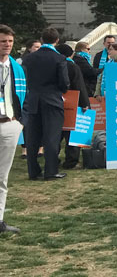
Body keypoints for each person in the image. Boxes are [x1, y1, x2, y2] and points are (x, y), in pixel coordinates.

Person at [21, 27, 70, 182]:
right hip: (52, 100)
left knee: (33, 137)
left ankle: (33, 171)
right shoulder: (59, 59)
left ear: (41, 40)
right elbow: (64, 82)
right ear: (57, 41)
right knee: (51, 137)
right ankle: (51, 170)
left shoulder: (29, 59)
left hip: (33, 98)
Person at [0, 25, 25, 234]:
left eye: (9, 41)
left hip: (9, 123)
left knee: (2, 176)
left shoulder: (16, 67)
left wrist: (20, 121)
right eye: (2, 42)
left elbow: (24, 96)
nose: (7, 45)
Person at [56, 43, 89, 170]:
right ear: (71, 54)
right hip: (72, 103)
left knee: (56, 135)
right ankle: (71, 161)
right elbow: (79, 85)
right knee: (72, 135)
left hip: (56, 103)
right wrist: (85, 103)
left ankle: (53, 159)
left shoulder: (54, 65)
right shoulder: (72, 66)